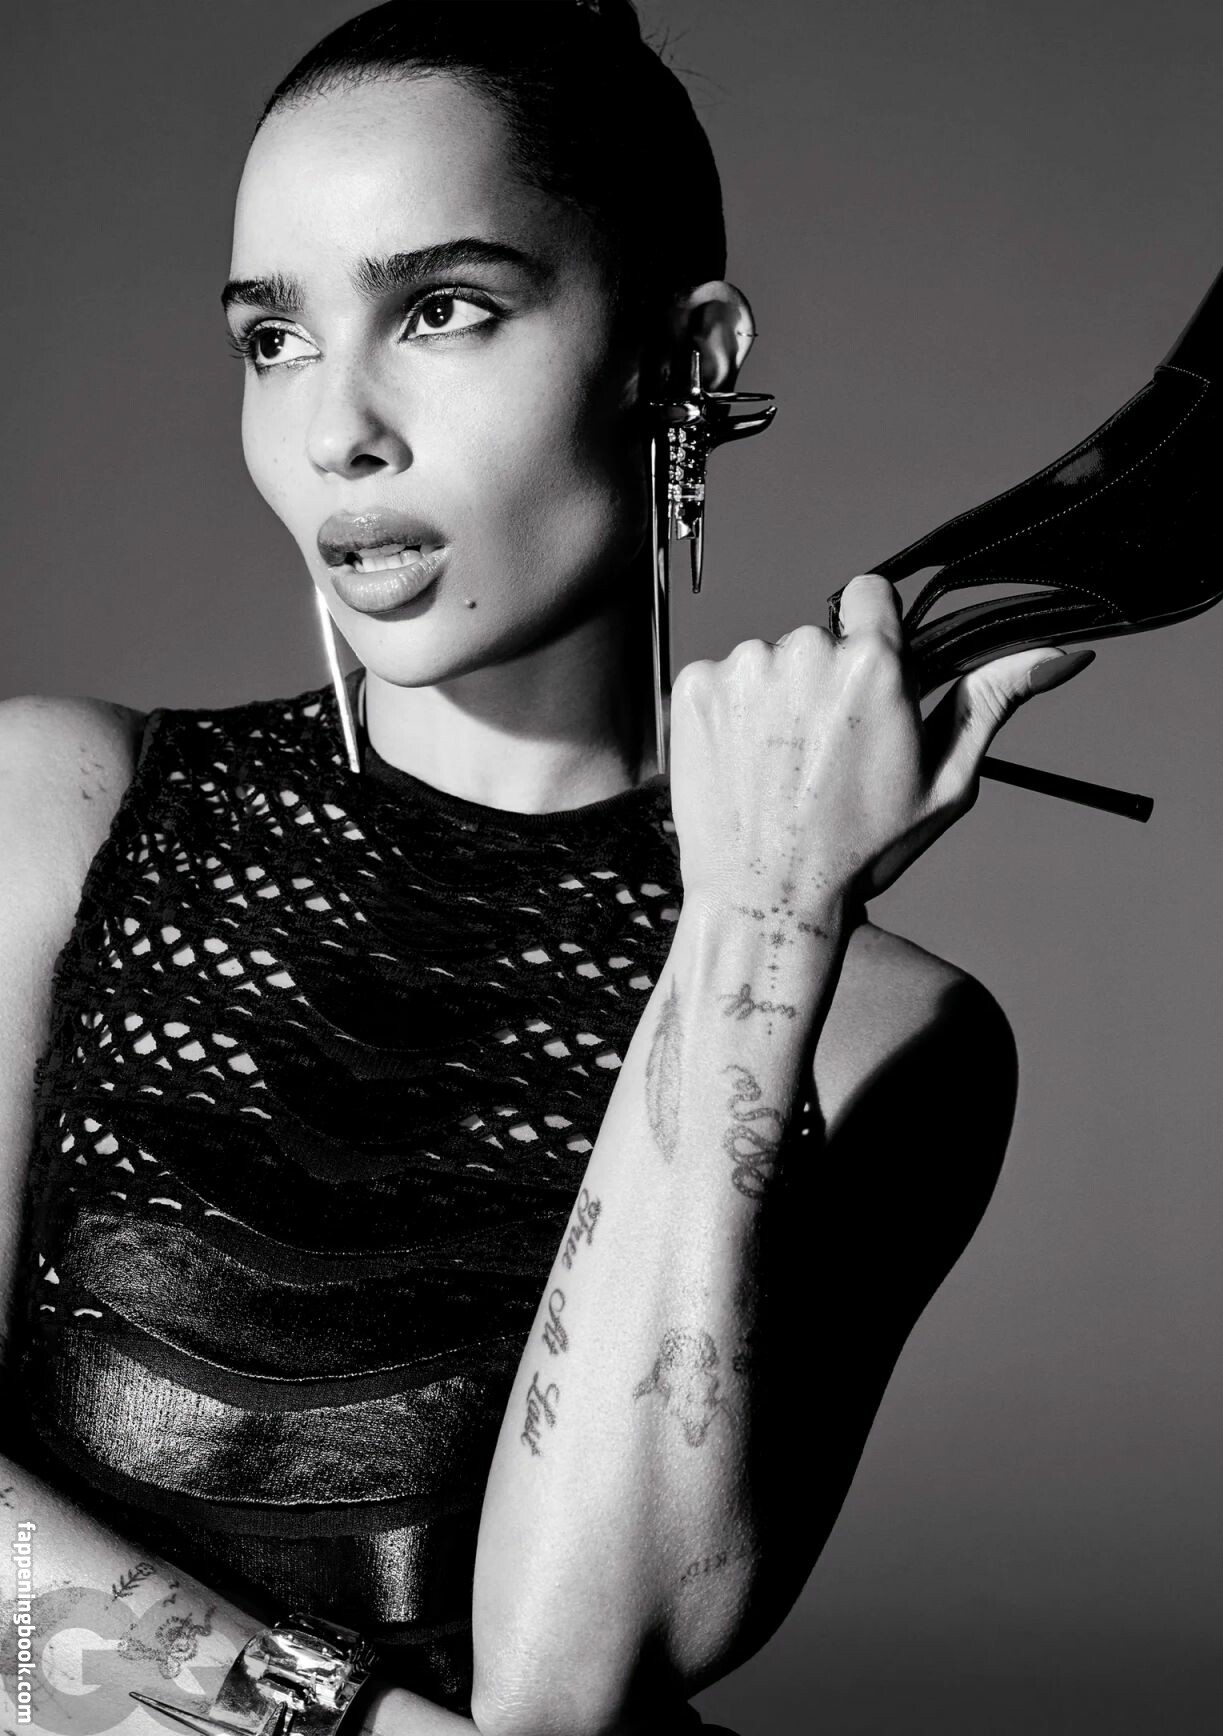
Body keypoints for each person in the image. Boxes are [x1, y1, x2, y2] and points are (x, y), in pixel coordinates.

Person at [0, 4, 1096, 1733]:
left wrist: (759, 921)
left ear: (685, 355)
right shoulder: (58, 812)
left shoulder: (893, 1041)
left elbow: (569, 1681)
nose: (337, 430)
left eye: (442, 309)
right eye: (274, 338)